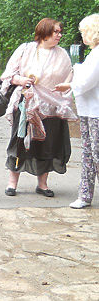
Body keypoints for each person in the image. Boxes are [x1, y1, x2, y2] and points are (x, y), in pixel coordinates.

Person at [1, 18, 77, 197]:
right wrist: (23, 80)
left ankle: (42, 184)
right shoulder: (26, 49)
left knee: (47, 144)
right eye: (56, 31)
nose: (59, 35)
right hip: (27, 103)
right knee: (20, 142)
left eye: (60, 32)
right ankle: (12, 183)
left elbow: (69, 79)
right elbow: (9, 75)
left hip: (52, 107)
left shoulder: (62, 54)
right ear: (44, 32)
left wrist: (63, 97)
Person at [54, 14, 99, 208]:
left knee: (96, 153)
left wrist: (74, 76)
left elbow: (87, 81)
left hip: (96, 111)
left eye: (83, 32)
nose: (82, 36)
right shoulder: (93, 53)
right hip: (88, 110)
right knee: (88, 153)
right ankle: (84, 195)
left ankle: (85, 195)